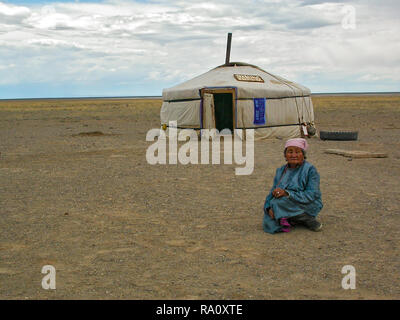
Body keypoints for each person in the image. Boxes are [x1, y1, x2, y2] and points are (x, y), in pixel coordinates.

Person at [263, 138, 323, 234]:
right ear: (285, 156)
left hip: (307, 204)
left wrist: (287, 193)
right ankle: (293, 219)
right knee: (269, 220)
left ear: (303, 155)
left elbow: (312, 194)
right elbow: (272, 192)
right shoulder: (281, 171)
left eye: (297, 152)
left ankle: (306, 218)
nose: (293, 155)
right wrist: (268, 208)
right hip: (283, 203)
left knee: (279, 203)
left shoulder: (310, 170)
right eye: (290, 152)